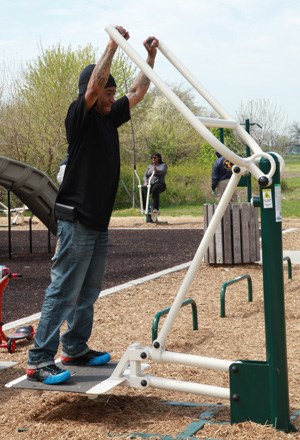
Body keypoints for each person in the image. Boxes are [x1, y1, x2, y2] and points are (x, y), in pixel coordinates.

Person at [26, 25, 159, 385]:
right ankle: (39, 360)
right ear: (94, 91)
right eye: (105, 91)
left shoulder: (110, 117)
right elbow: (91, 86)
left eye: (112, 92)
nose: (110, 97)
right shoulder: (80, 117)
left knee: (88, 290)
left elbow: (138, 90)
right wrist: (112, 45)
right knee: (64, 289)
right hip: (75, 220)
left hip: (97, 223)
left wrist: (149, 57)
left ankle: (75, 346)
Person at [142, 152, 167, 222]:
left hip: (160, 184)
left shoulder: (163, 165)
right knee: (143, 189)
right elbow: (145, 175)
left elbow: (163, 172)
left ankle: (155, 209)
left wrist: (157, 171)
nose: (153, 159)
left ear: (158, 158)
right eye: (152, 158)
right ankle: (145, 208)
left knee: (155, 189)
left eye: (154, 158)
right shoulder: (150, 166)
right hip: (149, 184)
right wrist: (145, 182)